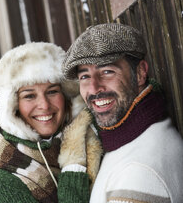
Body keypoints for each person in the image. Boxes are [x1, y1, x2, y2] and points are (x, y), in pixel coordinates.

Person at [62, 23, 183, 203]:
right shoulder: (132, 139)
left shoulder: (138, 172)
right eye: (85, 76)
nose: (94, 88)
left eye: (107, 71)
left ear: (141, 72)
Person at [0, 42, 103, 203]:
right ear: (13, 107)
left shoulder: (96, 135)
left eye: (52, 91)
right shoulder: (3, 184)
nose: (45, 105)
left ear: (67, 97)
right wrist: (73, 165)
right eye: (29, 96)